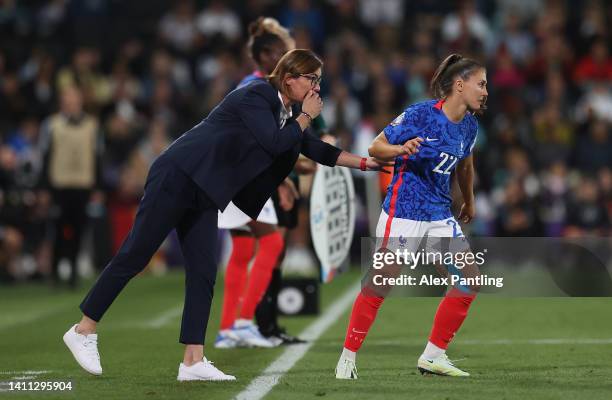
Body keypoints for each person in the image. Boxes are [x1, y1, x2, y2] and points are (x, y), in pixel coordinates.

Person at [62, 49, 393, 382]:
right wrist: (305, 116)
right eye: (312, 79)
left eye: (318, 81)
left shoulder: (284, 111)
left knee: (204, 271)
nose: (316, 87)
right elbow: (275, 142)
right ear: (290, 78)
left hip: (206, 190)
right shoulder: (257, 94)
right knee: (136, 254)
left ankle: (192, 360)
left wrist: (366, 164)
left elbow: (316, 149)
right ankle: (83, 329)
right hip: (179, 174)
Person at [335, 54, 488, 379]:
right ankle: (347, 358)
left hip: (438, 213)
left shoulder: (471, 126)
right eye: (481, 83)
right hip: (403, 211)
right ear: (460, 85)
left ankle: (433, 356)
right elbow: (376, 147)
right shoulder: (421, 114)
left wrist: (470, 201)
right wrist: (400, 150)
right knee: (380, 286)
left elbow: (465, 165)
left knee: (469, 280)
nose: (485, 91)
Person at [215, 17, 300, 349]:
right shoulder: (259, 88)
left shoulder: (252, 85)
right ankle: (244, 321)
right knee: (272, 244)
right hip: (245, 175)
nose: (286, 59)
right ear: (266, 55)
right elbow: (260, 140)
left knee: (243, 248)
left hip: (233, 173)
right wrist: (278, 180)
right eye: (282, 52)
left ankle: (228, 330)